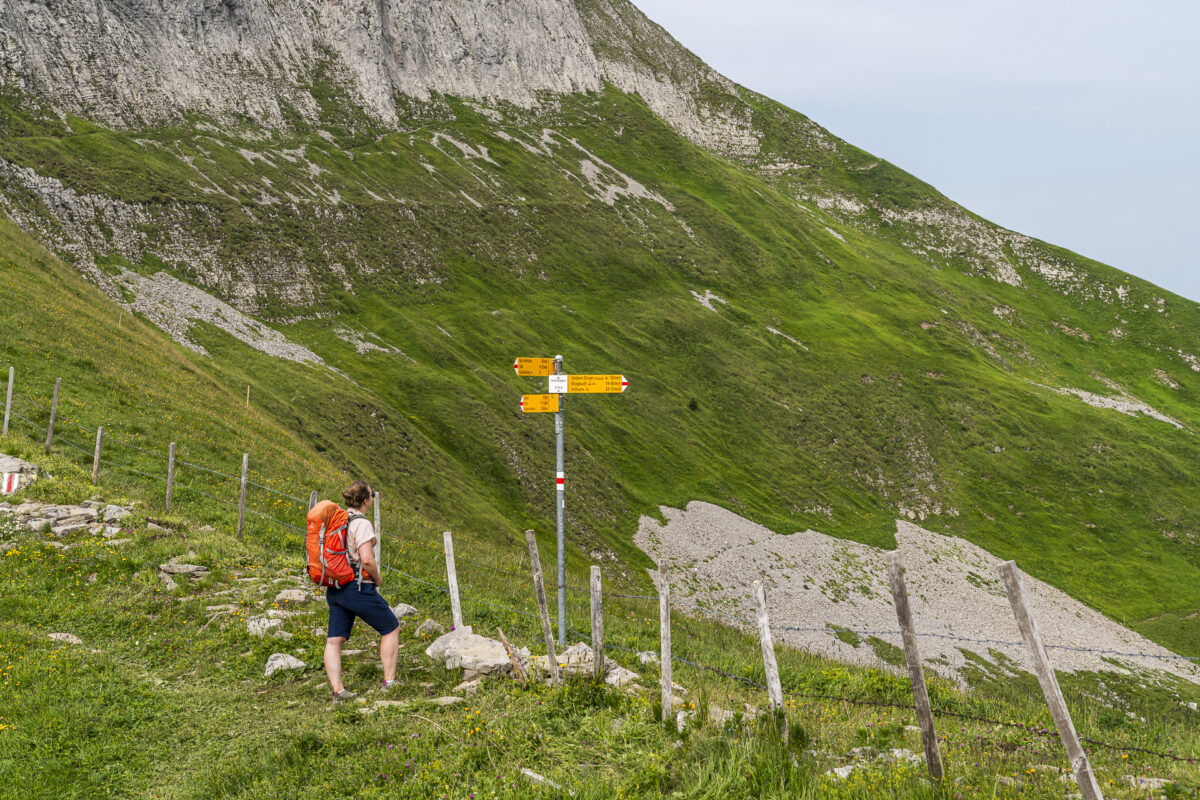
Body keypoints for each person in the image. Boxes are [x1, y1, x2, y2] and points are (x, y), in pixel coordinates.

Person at [323, 480, 400, 701]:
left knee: (334, 641)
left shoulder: (337, 520)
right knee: (391, 628)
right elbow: (366, 560)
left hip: (334, 585)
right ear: (366, 500)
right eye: (371, 496)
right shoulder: (361, 523)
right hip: (356, 587)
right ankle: (390, 681)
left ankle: (338, 691)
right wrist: (378, 578)